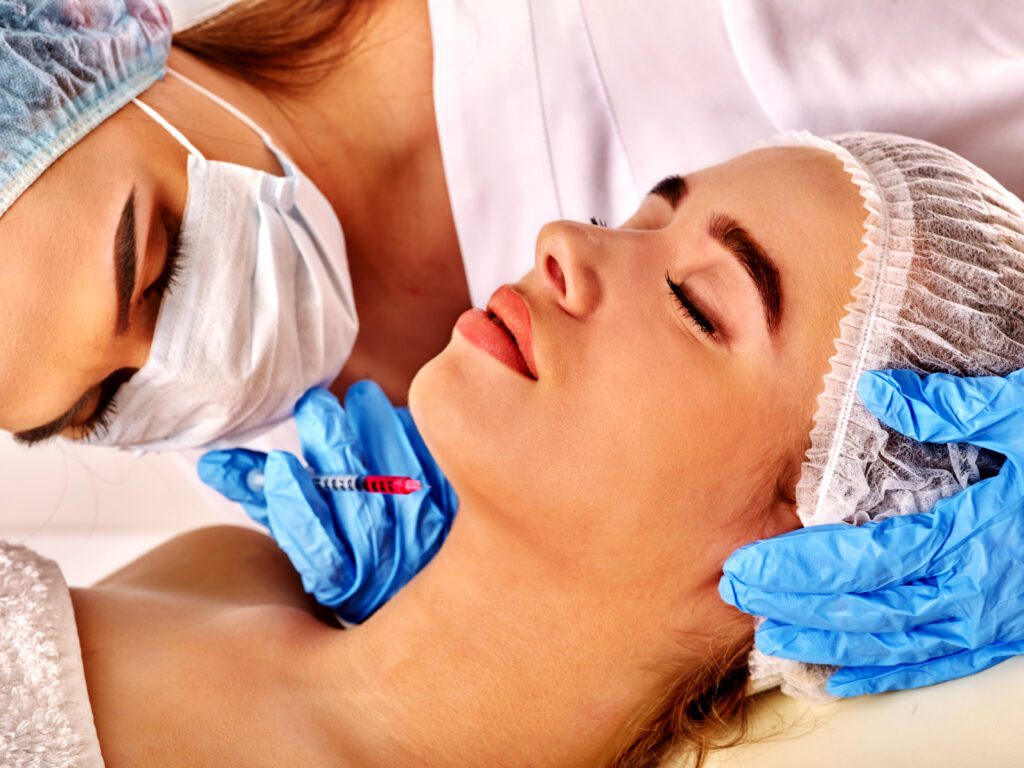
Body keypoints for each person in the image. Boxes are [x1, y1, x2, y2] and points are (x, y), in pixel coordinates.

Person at [38, 132, 1016, 768]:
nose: (561, 240)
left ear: (831, 548)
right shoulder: (225, 568)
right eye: (626, 220)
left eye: (693, 302)